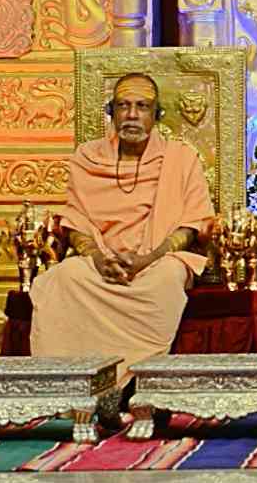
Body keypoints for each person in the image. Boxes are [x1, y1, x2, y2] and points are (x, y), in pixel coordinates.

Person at [29, 73, 214, 380]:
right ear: (110, 112)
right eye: (123, 105)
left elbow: (192, 223)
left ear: (156, 114)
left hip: (158, 260)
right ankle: (71, 379)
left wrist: (148, 259)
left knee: (168, 277)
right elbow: (75, 221)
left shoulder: (182, 159)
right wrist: (99, 259)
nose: (131, 115)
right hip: (101, 263)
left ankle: (126, 378)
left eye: (142, 106)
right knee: (65, 276)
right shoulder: (87, 157)